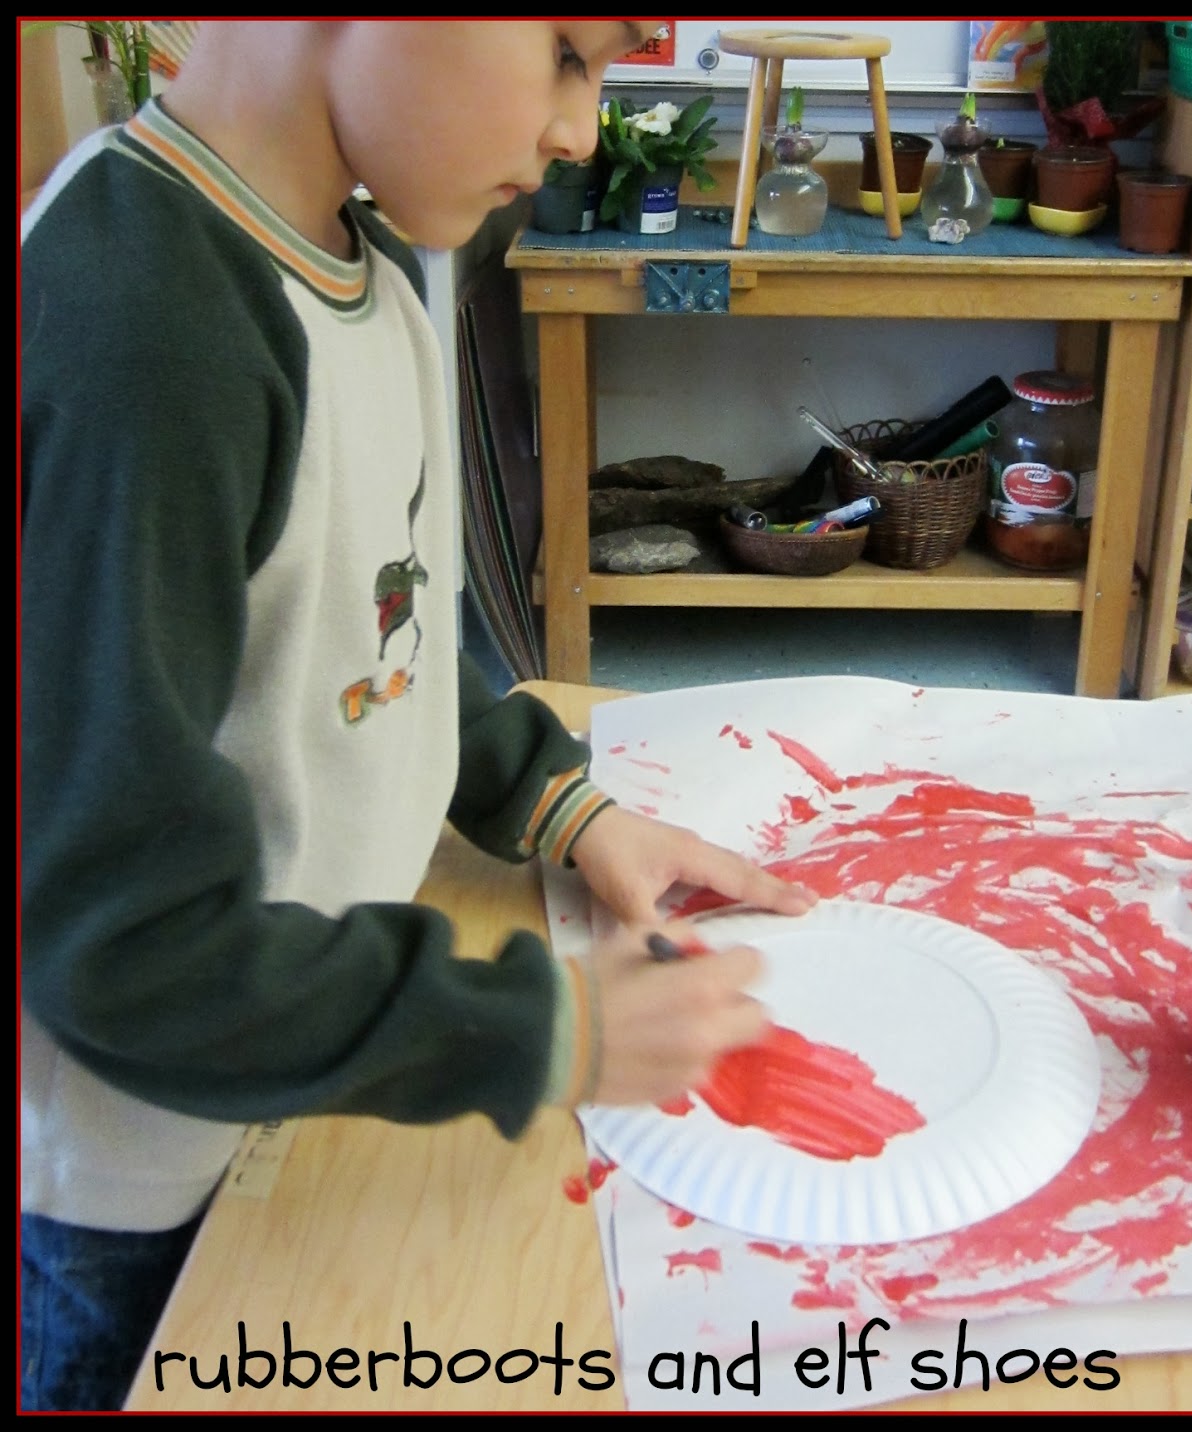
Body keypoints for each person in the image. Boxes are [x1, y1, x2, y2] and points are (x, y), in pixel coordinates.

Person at [20, 20, 814, 1412]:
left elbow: (377, 633)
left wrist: (563, 806)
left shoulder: (369, 265)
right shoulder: (144, 332)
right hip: (158, 1188)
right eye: (567, 50)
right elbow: (117, 944)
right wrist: (540, 1031)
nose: (581, 131)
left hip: (311, 1069)